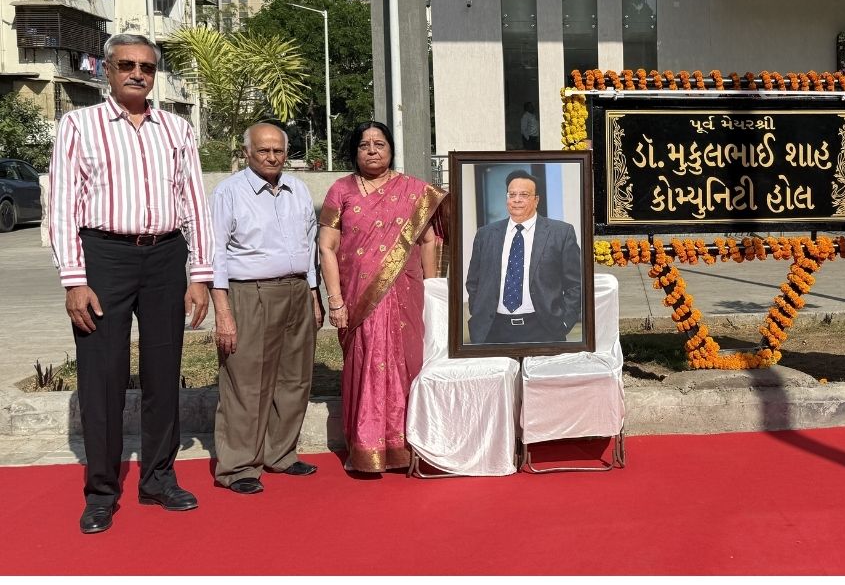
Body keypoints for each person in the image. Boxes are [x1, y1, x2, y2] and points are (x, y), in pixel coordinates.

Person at [47, 34, 214, 534]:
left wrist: (200, 274)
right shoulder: (79, 125)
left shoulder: (177, 129)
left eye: (147, 66)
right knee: (102, 377)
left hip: (165, 256)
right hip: (104, 258)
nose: (137, 73)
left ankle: (159, 478)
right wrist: (74, 279)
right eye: (126, 64)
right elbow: (63, 206)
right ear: (107, 69)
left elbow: (193, 201)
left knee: (164, 372)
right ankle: (101, 491)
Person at [317, 121, 446, 473]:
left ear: (391, 149)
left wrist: (433, 291)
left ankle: (410, 445)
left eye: (379, 144)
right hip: (359, 298)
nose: (372, 150)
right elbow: (326, 247)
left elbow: (429, 241)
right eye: (364, 145)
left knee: (409, 363)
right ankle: (367, 446)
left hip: (407, 296)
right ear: (355, 151)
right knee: (366, 363)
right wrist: (335, 300)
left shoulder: (414, 190)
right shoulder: (341, 190)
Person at [209, 123, 323, 494]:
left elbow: (309, 247)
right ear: (247, 152)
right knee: (246, 381)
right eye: (263, 150)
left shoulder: (298, 190)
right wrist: (222, 311)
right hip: (250, 293)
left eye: (278, 150)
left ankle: (281, 453)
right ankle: (239, 466)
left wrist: (313, 293)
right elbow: (215, 254)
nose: (272, 157)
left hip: (296, 290)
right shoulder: (228, 192)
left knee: (295, 378)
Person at [465, 170, 582, 344]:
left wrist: (564, 321)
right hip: (493, 330)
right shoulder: (486, 234)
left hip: (544, 329)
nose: (517, 200)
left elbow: (576, 284)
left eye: (524, 195)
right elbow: (473, 281)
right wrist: (478, 312)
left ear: (536, 200)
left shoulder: (561, 233)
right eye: (512, 195)